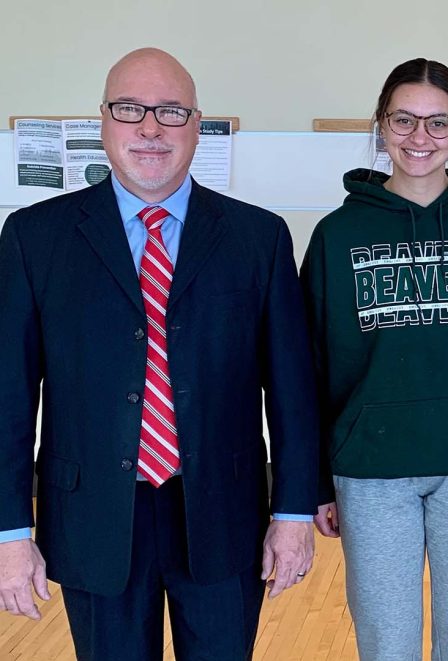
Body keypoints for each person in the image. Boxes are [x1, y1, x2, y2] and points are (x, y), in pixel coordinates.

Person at [0, 47, 319, 660]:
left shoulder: (259, 238)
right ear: (103, 121)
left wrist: (295, 514)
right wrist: (12, 530)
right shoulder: (34, 238)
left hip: (224, 515)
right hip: (92, 516)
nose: (150, 128)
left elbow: (293, 394)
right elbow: (10, 398)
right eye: (130, 109)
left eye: (171, 111)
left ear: (198, 124)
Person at [301, 58, 448, 659]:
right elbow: (313, 370)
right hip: (373, 469)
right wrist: (314, 481)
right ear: (381, 126)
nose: (419, 138)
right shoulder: (336, 236)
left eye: (438, 123)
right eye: (404, 120)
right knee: (386, 644)